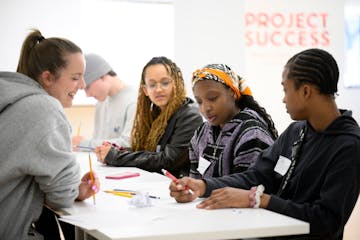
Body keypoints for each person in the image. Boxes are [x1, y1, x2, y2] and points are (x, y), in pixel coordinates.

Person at [169, 48, 360, 240]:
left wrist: (260, 200)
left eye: (286, 90)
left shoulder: (348, 146)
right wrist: (202, 186)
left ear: (305, 91)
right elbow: (257, 176)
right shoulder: (296, 132)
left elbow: (326, 221)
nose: (283, 99)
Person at [0, 29, 100, 240]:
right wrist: (76, 190)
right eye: (75, 78)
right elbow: (62, 198)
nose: (82, 85)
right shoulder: (43, 108)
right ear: (47, 77)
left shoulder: (10, 98)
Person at [95, 56, 203, 177]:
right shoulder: (154, 114)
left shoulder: (190, 115)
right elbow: (147, 153)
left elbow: (168, 161)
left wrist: (115, 156)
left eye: (165, 83)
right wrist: (116, 150)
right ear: (145, 90)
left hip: (178, 188)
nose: (158, 89)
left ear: (176, 84)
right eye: (152, 85)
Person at [190, 63, 278, 178]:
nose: (205, 108)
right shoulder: (201, 133)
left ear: (232, 93)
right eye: (199, 101)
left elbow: (245, 188)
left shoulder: (252, 134)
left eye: (212, 98)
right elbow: (194, 179)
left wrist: (202, 188)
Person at [72, 53, 137, 149]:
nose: (87, 95)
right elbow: (98, 142)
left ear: (102, 76)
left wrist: (84, 143)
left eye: (88, 87)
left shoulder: (134, 101)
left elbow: (129, 143)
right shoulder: (101, 104)